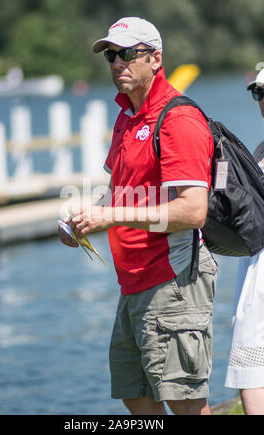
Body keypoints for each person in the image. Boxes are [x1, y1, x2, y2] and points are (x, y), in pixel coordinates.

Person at [59, 17, 217, 415]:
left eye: (129, 53)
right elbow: (117, 193)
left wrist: (110, 218)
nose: (117, 63)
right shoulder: (127, 117)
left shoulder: (178, 118)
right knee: (137, 395)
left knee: (184, 402)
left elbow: (193, 210)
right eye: (112, 55)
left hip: (173, 279)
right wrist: (85, 219)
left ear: (156, 58)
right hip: (132, 284)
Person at [224, 67, 264, 415]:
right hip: (255, 260)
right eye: (258, 94)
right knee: (249, 349)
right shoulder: (259, 149)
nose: (263, 102)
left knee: (249, 347)